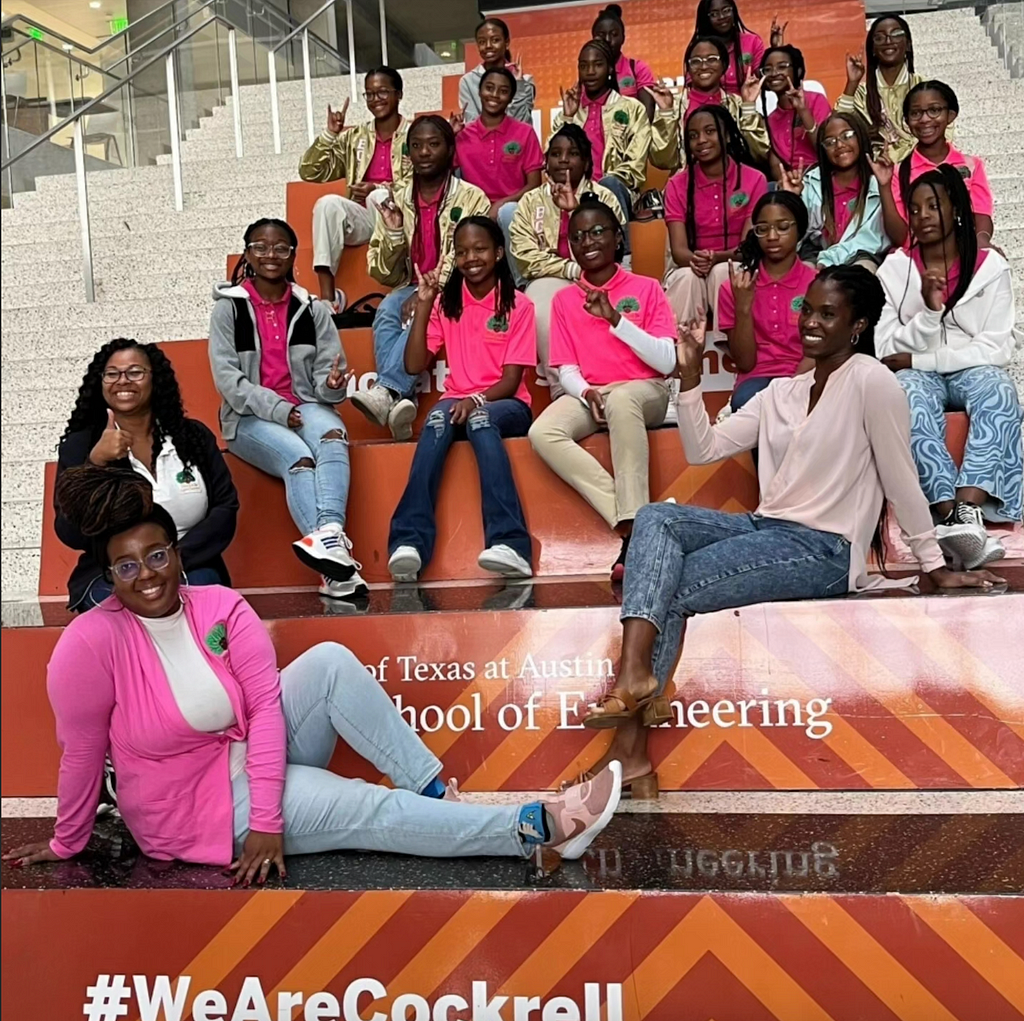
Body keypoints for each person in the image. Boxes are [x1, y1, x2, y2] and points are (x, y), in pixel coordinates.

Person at [4, 465, 621, 875]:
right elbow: (81, 754)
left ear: (178, 555)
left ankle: (434, 791)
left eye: (157, 555)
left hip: (253, 756)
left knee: (326, 662)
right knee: (367, 810)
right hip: (200, 811)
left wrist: (272, 813)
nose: (148, 576)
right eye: (127, 567)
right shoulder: (89, 645)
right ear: (109, 577)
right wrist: (67, 842)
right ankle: (539, 828)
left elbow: (266, 710)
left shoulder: (219, 606)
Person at [567, 266, 1003, 795]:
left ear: (858, 324)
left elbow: (900, 479)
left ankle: (628, 746)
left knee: (669, 585)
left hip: (823, 547)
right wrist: (686, 382)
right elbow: (703, 450)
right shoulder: (782, 391)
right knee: (656, 518)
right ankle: (636, 680)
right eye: (807, 310)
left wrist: (932, 564)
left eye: (827, 314)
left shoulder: (872, 380)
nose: (811, 323)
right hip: (766, 527)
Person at [208, 218, 365, 601]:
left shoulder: (311, 309)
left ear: (293, 255)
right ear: (247, 254)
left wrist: (333, 388)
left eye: (280, 247)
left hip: (305, 404)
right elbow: (229, 383)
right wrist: (278, 409)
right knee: (298, 457)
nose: (270, 255)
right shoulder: (229, 310)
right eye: (260, 247)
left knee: (332, 435)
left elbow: (330, 374)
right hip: (248, 418)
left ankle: (329, 543)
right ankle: (334, 560)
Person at [876, 166, 1022, 569]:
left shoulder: (990, 268)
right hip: (917, 374)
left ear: (957, 210)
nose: (921, 216)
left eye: (932, 206)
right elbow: (886, 347)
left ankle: (967, 510)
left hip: (966, 368)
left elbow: (996, 348)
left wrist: (923, 357)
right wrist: (927, 310)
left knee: (998, 389)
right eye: (915, 208)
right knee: (906, 393)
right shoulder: (895, 270)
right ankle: (947, 513)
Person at [529, 197, 676, 582]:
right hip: (596, 394)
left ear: (617, 239)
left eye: (598, 232)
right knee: (542, 432)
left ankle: (632, 543)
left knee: (625, 398)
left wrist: (616, 319)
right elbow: (567, 368)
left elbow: (666, 361)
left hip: (645, 391)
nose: (588, 241)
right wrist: (585, 393)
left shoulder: (646, 288)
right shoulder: (564, 299)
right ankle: (634, 520)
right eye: (578, 236)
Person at [388, 217, 536, 582]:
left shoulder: (519, 304)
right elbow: (413, 364)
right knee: (436, 422)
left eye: (481, 249)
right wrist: (423, 305)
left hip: (508, 404)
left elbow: (512, 380)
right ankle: (408, 542)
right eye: (462, 251)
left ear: (499, 253)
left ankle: (511, 544)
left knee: (480, 420)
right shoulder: (446, 303)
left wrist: (476, 400)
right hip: (457, 402)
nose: (471, 257)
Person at [56, 339, 237, 612]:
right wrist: (95, 464)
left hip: (191, 564)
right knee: (118, 611)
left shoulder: (193, 438)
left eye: (135, 372)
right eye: (112, 374)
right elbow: (70, 533)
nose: (123, 381)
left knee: (200, 603)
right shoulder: (82, 446)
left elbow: (225, 508)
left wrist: (169, 560)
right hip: (113, 572)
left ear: (155, 379)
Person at [354, 116, 490, 441]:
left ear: (450, 150)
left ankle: (387, 390)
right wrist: (394, 231)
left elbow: (472, 259)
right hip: (410, 284)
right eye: (416, 146)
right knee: (388, 307)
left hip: (458, 284)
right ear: (408, 153)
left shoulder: (472, 197)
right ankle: (402, 398)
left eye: (433, 144)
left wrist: (434, 286)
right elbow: (383, 272)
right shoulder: (395, 198)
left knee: (421, 308)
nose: (424, 152)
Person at [509, 125, 626, 392]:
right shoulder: (529, 202)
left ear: (586, 162)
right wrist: (571, 270)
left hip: (601, 277)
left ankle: (613, 382)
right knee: (539, 300)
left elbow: (613, 252)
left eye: (572, 153)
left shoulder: (604, 198)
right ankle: (562, 386)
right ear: (545, 162)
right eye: (556, 154)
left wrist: (575, 212)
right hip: (552, 279)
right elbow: (527, 259)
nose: (563, 160)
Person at [298, 68, 411, 310]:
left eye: (382, 92)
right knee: (326, 203)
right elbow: (310, 172)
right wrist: (330, 135)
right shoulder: (355, 137)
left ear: (399, 94)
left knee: (378, 195)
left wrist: (377, 188)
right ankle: (329, 299)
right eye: (369, 94)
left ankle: (400, 284)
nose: (375, 100)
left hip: (401, 217)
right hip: (362, 217)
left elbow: (421, 181)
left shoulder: (414, 134)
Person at [662, 105, 768, 337]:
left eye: (710, 131)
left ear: (727, 134)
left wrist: (716, 258)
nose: (701, 140)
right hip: (690, 264)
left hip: (735, 262)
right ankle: (679, 352)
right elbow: (680, 253)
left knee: (723, 272)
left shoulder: (754, 179)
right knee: (687, 277)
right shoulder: (677, 185)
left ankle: (732, 348)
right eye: (693, 136)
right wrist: (701, 260)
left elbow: (747, 249)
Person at [717, 191, 815, 411]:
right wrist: (743, 307)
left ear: (800, 229)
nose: (772, 236)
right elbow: (744, 363)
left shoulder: (817, 284)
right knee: (746, 402)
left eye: (782, 227)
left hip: (806, 373)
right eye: (763, 229)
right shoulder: (734, 287)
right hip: (756, 378)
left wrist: (790, 388)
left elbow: (821, 350)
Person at [875, 81, 995, 251]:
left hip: (963, 251)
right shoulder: (898, 172)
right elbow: (900, 236)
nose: (925, 119)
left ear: (950, 115)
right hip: (920, 256)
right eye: (916, 113)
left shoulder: (972, 165)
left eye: (934, 110)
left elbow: (982, 213)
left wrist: (982, 241)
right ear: (907, 121)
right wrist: (884, 188)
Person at [452, 67, 544, 282]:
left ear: (511, 97)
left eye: (503, 91)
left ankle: (521, 285)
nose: (494, 95)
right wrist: (449, 137)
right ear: (479, 91)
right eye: (489, 88)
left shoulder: (524, 132)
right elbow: (441, 178)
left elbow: (535, 185)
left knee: (507, 212)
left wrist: (500, 204)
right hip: (475, 211)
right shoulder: (463, 135)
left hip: (514, 212)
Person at [553, 38, 652, 231]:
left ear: (609, 69)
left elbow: (636, 166)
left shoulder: (632, 108)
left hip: (617, 188)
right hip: (573, 189)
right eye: (584, 66)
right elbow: (552, 158)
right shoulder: (570, 112)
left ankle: (624, 256)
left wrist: (596, 189)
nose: (590, 71)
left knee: (609, 184)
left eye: (597, 65)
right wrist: (568, 117)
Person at [779, 112, 889, 272]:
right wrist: (791, 200)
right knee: (802, 277)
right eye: (830, 142)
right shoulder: (812, 182)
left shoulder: (878, 183)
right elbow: (795, 238)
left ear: (860, 137)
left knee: (861, 275)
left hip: (860, 256)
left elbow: (872, 239)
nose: (839, 145)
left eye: (847, 135)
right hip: (815, 254)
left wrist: (829, 259)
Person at [649, 37, 768, 167]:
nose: (704, 66)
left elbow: (761, 153)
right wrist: (666, 113)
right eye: (696, 62)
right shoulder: (674, 105)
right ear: (688, 68)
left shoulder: (737, 103)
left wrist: (749, 107)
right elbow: (662, 161)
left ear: (724, 65)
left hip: (735, 181)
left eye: (711, 60)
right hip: (688, 182)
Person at [837, 15, 922, 163]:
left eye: (896, 34)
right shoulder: (861, 93)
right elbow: (838, 125)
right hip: (876, 169)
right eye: (880, 37)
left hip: (920, 166)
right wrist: (852, 83)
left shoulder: (924, 88)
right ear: (873, 50)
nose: (888, 41)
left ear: (908, 44)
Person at [759, 45, 832, 179]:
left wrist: (803, 111)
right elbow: (775, 164)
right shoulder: (771, 119)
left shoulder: (816, 100)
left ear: (798, 71)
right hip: (791, 184)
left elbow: (826, 150)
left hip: (823, 177)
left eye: (782, 66)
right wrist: (787, 184)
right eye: (768, 69)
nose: (774, 73)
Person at [459, 18, 536, 125]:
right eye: (482, 42)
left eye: (495, 40)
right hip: (482, 141)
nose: (488, 46)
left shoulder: (525, 81)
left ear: (507, 42)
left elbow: (523, 124)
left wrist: (518, 85)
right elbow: (472, 124)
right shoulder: (468, 81)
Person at [690, 0, 774, 94]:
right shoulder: (699, 48)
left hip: (746, 103)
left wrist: (776, 49)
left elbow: (766, 82)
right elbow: (693, 87)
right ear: (706, 19)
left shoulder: (753, 42)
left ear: (734, 11)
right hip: (712, 105)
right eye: (714, 14)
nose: (721, 17)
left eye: (726, 10)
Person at [592, 4, 657, 120]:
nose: (607, 39)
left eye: (614, 34)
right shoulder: (590, 73)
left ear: (623, 38)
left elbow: (647, 114)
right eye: (601, 35)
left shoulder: (638, 69)